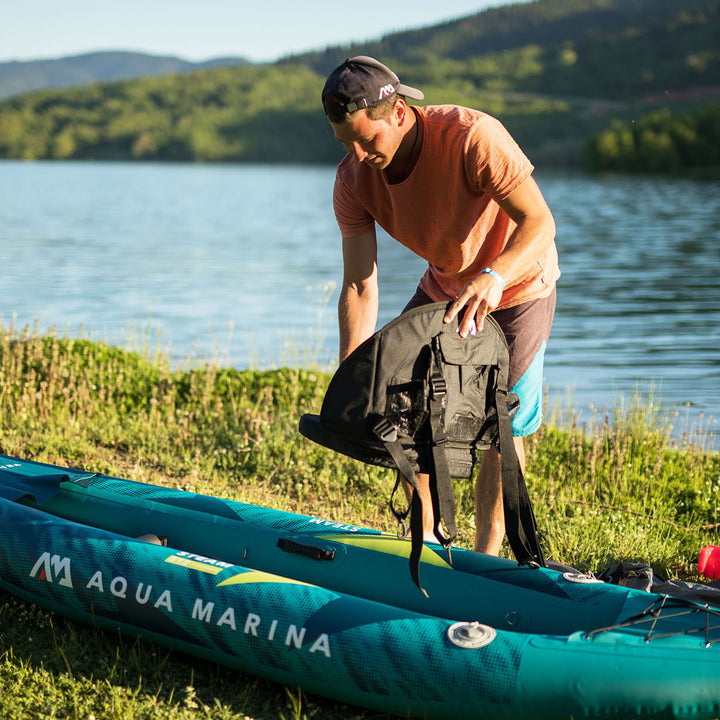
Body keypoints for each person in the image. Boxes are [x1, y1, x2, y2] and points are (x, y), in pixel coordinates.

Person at [321, 56, 560, 555]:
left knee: (498, 422)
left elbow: (539, 222)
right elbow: (360, 285)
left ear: (401, 113)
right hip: (447, 285)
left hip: (517, 285)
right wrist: (353, 374)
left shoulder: (472, 137)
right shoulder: (352, 181)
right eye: (347, 144)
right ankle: (428, 537)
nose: (360, 156)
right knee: (397, 406)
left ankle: (486, 557)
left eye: (369, 140)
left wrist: (495, 276)